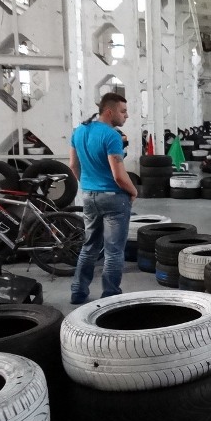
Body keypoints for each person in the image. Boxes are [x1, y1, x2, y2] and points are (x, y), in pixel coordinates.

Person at [69, 93, 137, 305]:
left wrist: (88, 185)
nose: (126, 116)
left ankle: (78, 291)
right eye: (123, 111)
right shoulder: (112, 136)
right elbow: (118, 175)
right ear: (109, 112)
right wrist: (133, 191)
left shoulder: (78, 131)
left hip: (89, 196)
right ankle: (110, 295)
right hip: (113, 198)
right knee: (114, 251)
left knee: (89, 247)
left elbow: (73, 165)